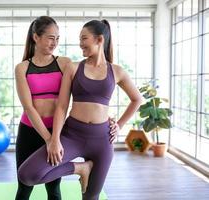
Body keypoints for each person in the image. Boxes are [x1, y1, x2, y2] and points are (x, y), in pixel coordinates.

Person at [17, 19, 142, 200]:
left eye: (84, 38)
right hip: (72, 135)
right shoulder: (73, 67)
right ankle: (81, 169)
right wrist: (54, 139)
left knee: (91, 197)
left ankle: (85, 172)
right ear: (35, 37)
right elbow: (62, 106)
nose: (80, 43)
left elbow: (136, 99)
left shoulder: (117, 71)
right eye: (80, 39)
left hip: (102, 139)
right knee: (27, 175)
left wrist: (120, 125)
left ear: (99, 40)